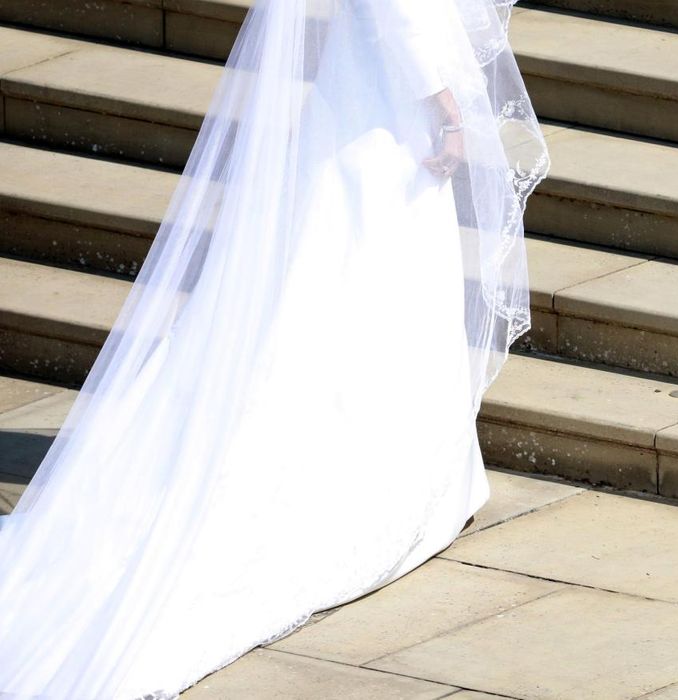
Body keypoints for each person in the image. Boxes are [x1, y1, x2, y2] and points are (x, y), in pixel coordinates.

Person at [0, 0, 549, 697]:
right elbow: (397, 12)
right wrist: (447, 107)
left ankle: (415, 467)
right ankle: (376, 478)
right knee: (364, 282)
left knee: (355, 282)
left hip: (364, 105)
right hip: (385, 115)